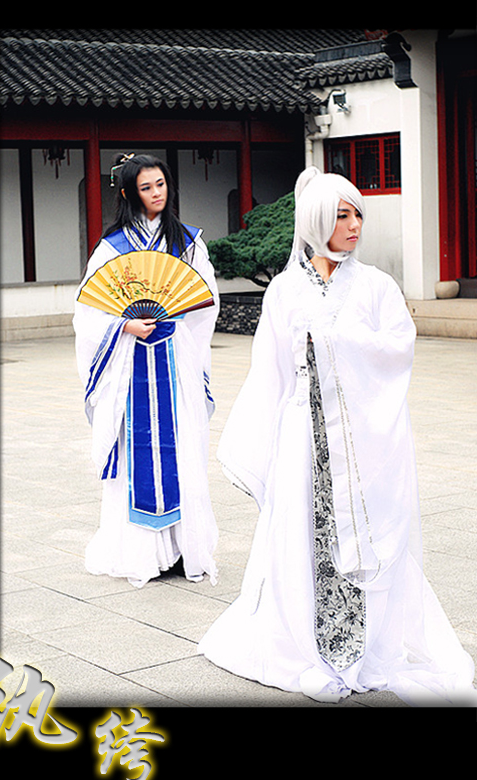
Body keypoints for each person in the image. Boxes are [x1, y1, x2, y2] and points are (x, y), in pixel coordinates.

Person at [198, 166, 477, 707]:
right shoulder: (284, 290)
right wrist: (268, 441)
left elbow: (398, 349)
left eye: (357, 215)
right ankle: (307, 647)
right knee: (303, 532)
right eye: (341, 215)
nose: (354, 226)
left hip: (361, 437)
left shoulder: (376, 286)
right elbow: (272, 371)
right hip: (302, 435)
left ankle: (367, 648)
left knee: (367, 535)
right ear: (315, 221)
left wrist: (339, 341)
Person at [73, 153, 219, 587]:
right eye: (146, 187)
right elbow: (88, 312)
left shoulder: (188, 243)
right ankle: (141, 553)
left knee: (184, 448)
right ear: (128, 193)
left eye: (161, 184)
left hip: (176, 359)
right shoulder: (111, 248)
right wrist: (124, 326)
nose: (157, 194)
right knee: (135, 454)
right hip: (130, 364)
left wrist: (175, 318)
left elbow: (205, 302)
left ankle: (183, 549)